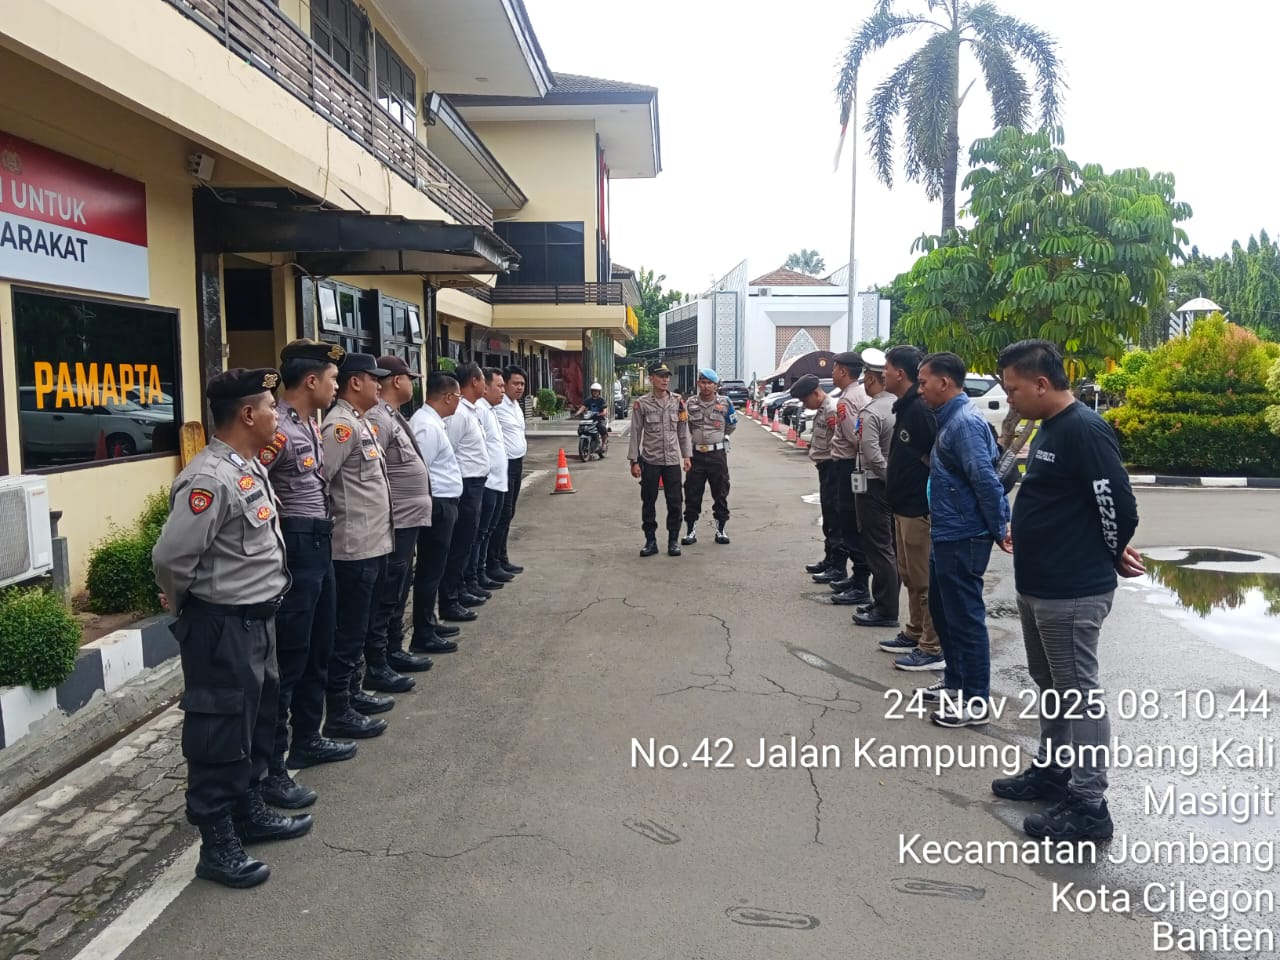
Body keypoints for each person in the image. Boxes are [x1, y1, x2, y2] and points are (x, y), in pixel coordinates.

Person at [152, 367, 310, 890]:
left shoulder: (247, 467)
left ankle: (250, 810)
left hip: (256, 621)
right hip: (221, 626)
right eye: (268, 406)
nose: (276, 414)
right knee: (219, 731)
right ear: (246, 415)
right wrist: (189, 607)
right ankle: (217, 844)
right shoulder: (208, 479)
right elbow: (172, 558)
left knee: (257, 722)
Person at [993, 339, 1143, 841]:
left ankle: (1088, 805)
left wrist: (1108, 552)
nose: (1009, 398)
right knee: (1052, 686)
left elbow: (1117, 505)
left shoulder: (1084, 428)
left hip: (1070, 589)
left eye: (1013, 388)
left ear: (1041, 384)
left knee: (1078, 695)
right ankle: (1054, 770)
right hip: (1039, 584)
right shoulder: (1049, 426)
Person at [255, 340, 355, 809]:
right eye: (332, 379)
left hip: (319, 540)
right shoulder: (278, 430)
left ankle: (309, 737)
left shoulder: (308, 423)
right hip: (296, 545)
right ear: (311, 381)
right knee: (290, 658)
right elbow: (254, 483)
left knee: (320, 645)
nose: (337, 385)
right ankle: (273, 769)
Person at [916, 351, 1010, 728]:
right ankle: (955, 683)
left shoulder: (965, 424)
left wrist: (1000, 527)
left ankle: (975, 699)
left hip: (963, 534)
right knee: (944, 611)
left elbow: (985, 480)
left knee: (965, 619)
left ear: (944, 382)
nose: (920, 390)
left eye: (923, 382)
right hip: (947, 530)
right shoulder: (949, 419)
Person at [321, 353, 398, 741]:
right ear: (356, 382)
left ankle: (352, 693)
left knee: (361, 626)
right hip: (352, 546)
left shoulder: (360, 422)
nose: (379, 386)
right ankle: (339, 709)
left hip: (373, 543)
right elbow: (320, 483)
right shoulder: (339, 427)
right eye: (373, 379)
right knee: (348, 632)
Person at [366, 356, 435, 677]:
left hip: (408, 521)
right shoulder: (377, 419)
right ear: (397, 380)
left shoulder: (391, 415)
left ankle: (394, 649)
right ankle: (380, 660)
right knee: (388, 592)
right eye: (410, 378)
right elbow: (373, 473)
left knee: (399, 587)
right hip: (395, 521)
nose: (413, 384)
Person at [880, 345, 945, 672]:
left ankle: (931, 646)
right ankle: (915, 631)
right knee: (910, 576)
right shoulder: (906, 407)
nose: (882, 374)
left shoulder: (919, 410)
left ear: (899, 372)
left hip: (919, 507)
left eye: (886, 368)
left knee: (924, 580)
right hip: (903, 505)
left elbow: (937, 456)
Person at [407, 373, 464, 652]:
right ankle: (423, 633)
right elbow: (421, 472)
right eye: (458, 397)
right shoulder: (426, 426)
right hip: (437, 504)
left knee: (435, 568)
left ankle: (429, 621)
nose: (459, 403)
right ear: (448, 397)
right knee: (429, 570)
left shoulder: (432, 422)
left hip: (444, 503)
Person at [851, 348, 900, 628]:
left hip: (874, 484)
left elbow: (871, 453)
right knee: (891, 546)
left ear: (871, 379)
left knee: (878, 547)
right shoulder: (898, 405)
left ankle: (885, 607)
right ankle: (883, 599)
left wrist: (886, 476)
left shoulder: (871, 412)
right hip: (892, 484)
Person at [440, 362, 490, 619]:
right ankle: (451, 598)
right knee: (459, 545)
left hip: (475, 484)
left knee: (467, 541)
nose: (486, 385)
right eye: (484, 380)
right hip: (465, 485)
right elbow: (448, 450)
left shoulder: (471, 410)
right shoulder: (459, 414)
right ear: (474, 381)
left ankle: (461, 589)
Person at [822, 352, 873, 606]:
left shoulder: (846, 400)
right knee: (852, 521)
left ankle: (861, 584)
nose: (832, 374)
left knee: (849, 522)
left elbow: (855, 437)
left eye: (834, 369)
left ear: (843, 371)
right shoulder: (860, 394)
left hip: (848, 465)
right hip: (853, 464)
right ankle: (857, 578)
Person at [627, 361, 691, 557]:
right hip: (650, 460)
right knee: (648, 502)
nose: (665, 380)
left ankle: (673, 541)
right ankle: (650, 541)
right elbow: (635, 432)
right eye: (661, 376)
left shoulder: (678, 402)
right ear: (651, 378)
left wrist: (686, 456)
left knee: (675, 502)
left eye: (667, 376)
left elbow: (683, 431)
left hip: (672, 461)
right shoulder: (642, 403)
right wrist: (634, 461)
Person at [791, 375, 843, 576]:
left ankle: (837, 566)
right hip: (825, 467)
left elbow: (841, 439)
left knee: (835, 518)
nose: (805, 405)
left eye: (805, 400)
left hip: (834, 468)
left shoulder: (832, 410)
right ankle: (829, 560)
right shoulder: (822, 409)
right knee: (828, 516)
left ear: (816, 393)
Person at [681, 368, 737, 545]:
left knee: (720, 492)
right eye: (703, 382)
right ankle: (690, 531)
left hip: (716, 454)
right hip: (696, 454)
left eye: (709, 383)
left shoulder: (725, 403)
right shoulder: (690, 403)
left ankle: (721, 530)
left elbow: (731, 424)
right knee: (692, 492)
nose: (706, 386)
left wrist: (718, 437)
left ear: (715, 385)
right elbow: (685, 426)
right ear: (698, 383)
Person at [470, 367, 511, 593]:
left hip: (497, 481)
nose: (503, 391)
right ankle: (475, 576)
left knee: (489, 529)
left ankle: (483, 570)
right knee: (480, 532)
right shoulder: (479, 410)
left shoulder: (491, 410)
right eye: (500, 386)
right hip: (486, 483)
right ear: (485, 388)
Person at [487, 365, 527, 577]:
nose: (519, 388)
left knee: (509, 513)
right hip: (505, 465)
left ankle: (502, 557)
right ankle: (493, 562)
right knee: (502, 514)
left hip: (517, 463)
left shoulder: (515, 405)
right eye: (514, 384)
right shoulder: (497, 407)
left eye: (522, 384)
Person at [573, 382, 610, 448]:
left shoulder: (602, 400)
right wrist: (577, 413)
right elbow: (583, 407)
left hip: (599, 418)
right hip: (590, 418)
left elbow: (605, 410)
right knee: (581, 428)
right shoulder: (588, 400)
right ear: (591, 392)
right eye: (593, 391)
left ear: (599, 392)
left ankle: (604, 443)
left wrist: (601, 413)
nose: (595, 392)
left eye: (596, 391)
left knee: (601, 427)